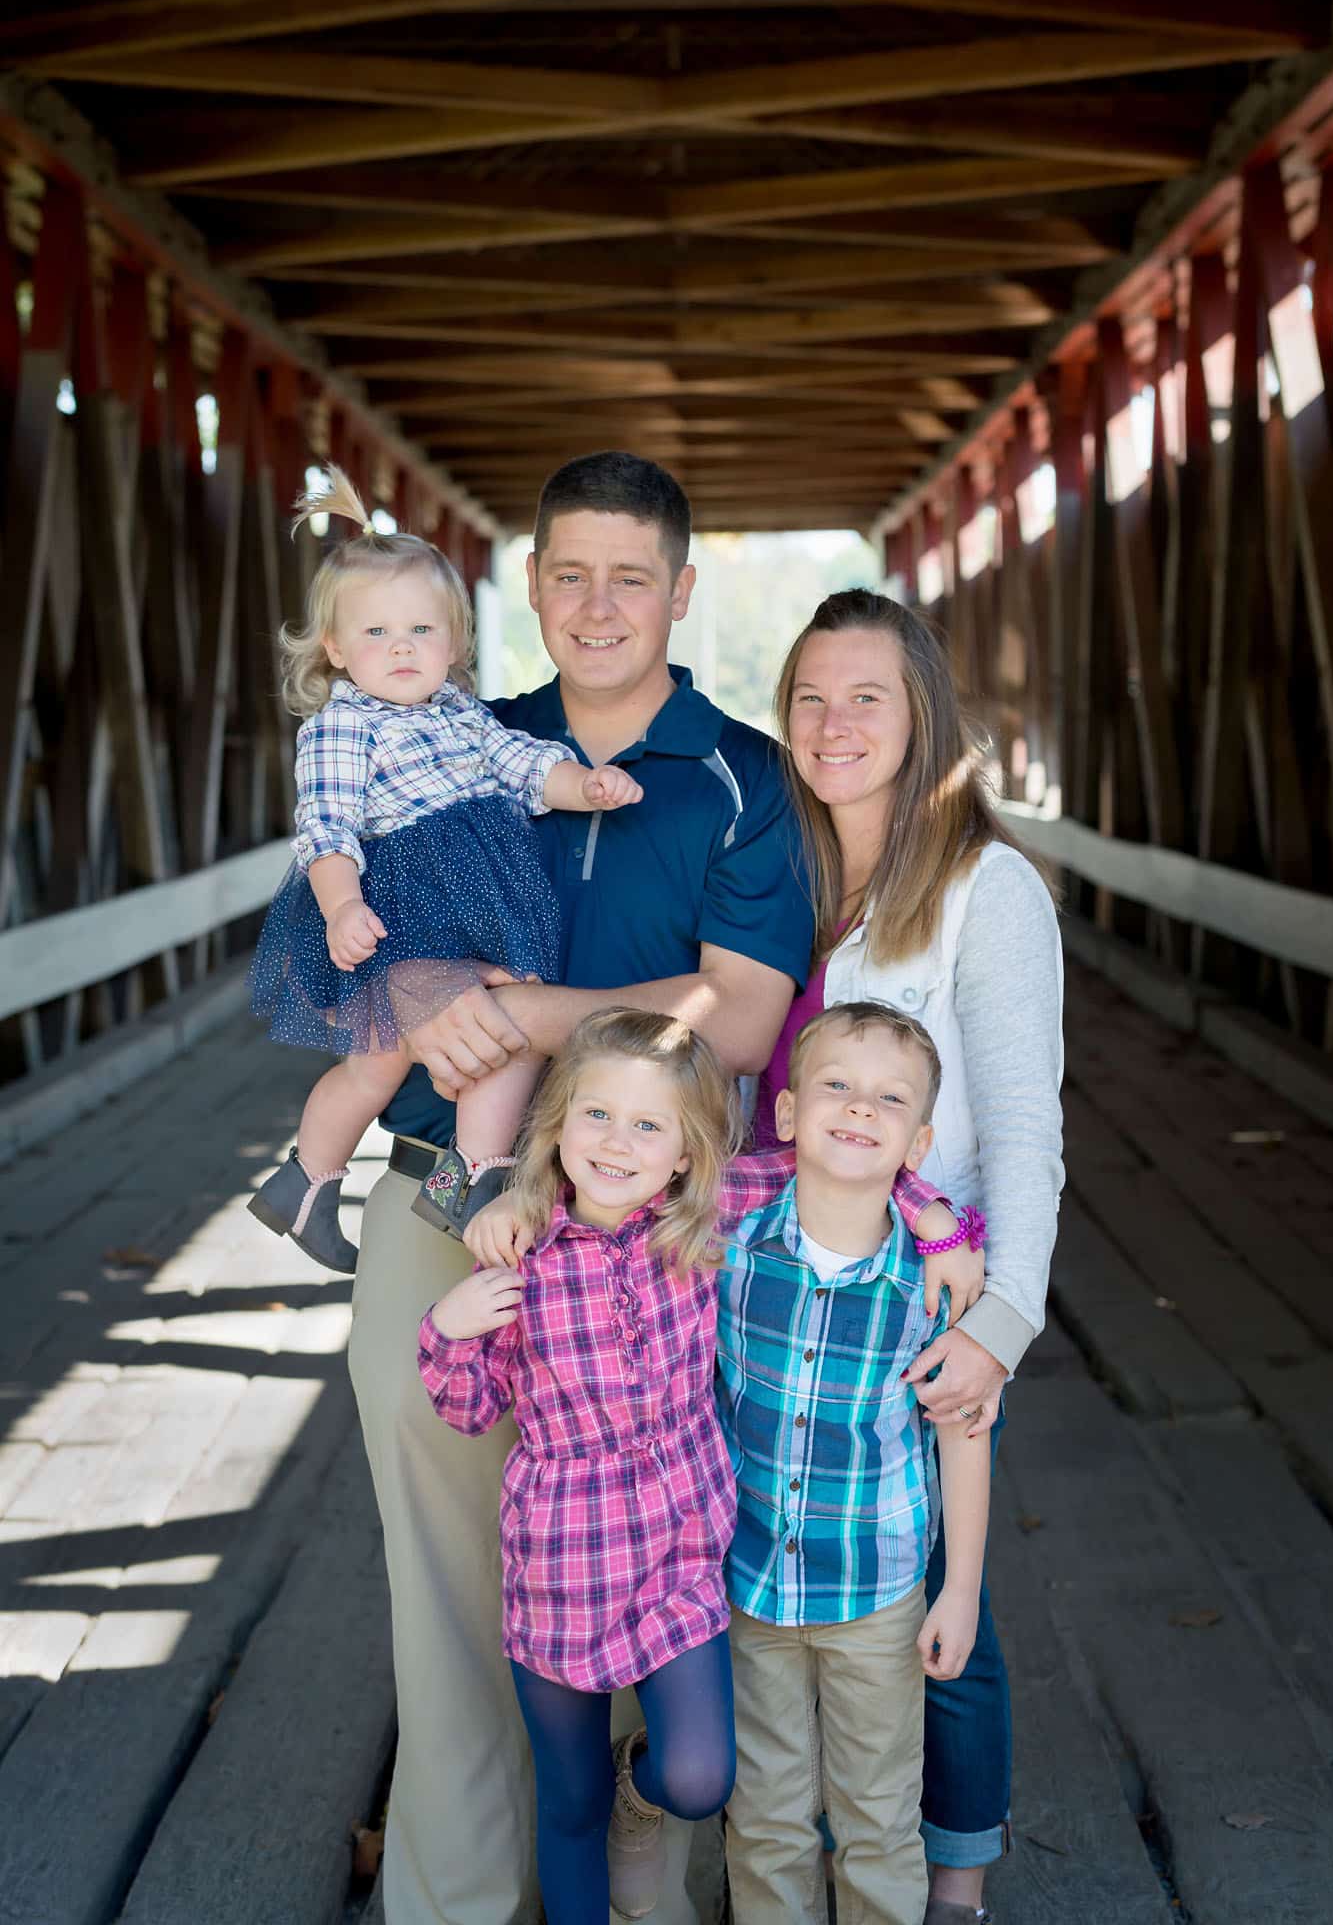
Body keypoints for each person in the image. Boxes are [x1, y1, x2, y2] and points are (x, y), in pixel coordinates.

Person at [346, 452, 814, 1925]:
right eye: (567, 573)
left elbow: (737, 1020)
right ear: (526, 587)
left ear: (681, 592)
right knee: (444, 1593)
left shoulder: (741, 773)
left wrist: (513, 1000)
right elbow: (372, 957)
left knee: (645, 1552)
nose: (597, 604)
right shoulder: (447, 737)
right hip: (448, 1201)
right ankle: (454, 1900)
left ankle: (637, 1867)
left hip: (655, 1233)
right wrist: (437, 987)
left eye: (631, 576)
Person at [456, 1007, 968, 1923]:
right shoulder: (649, 1232)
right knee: (730, 1812)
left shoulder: (878, 1260)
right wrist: (497, 1207)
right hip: (655, 1569)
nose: (856, 1110)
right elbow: (468, 1399)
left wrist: (933, 1213)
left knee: (843, 1804)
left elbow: (853, 1162)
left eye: (648, 1124)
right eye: (598, 1117)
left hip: (798, 1573)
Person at [761, 588, 1065, 1925]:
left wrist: (1000, 1323)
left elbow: (1019, 1133)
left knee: (939, 1589)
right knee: (777, 1570)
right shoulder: (773, 867)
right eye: (809, 697)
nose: (832, 724)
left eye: (865, 696)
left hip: (917, 1297)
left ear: (921, 712)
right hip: (770, 1283)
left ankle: (953, 1882)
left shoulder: (982, 889)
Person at [247, 464, 640, 1274]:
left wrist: (585, 785)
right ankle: (396, 1177)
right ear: (334, 647)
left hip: (483, 905)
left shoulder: (461, 713)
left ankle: (323, 1186)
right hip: (398, 908)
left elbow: (523, 763)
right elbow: (324, 826)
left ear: (454, 643)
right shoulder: (339, 726)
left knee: (491, 1033)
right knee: (397, 1062)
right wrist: (340, 906)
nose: (401, 650)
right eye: (377, 634)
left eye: (421, 632)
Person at [721, 1000, 991, 1925]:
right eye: (835, 1086)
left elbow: (962, 1432)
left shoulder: (938, 1280)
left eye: (887, 1100)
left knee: (877, 1817)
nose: (858, 1109)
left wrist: (959, 1592)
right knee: (765, 1818)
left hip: (877, 1590)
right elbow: (639, 1172)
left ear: (916, 1144)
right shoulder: (730, 1234)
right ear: (788, 1113)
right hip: (748, 1580)